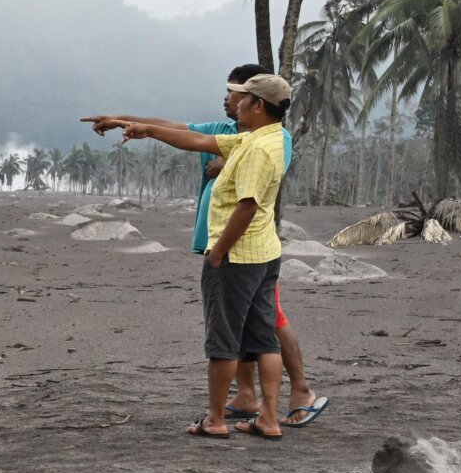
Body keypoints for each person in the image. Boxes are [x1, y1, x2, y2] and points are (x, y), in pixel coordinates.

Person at [83, 65, 329, 428]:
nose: (231, 100)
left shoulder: (262, 143)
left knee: (244, 331)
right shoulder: (242, 135)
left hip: (240, 250)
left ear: (257, 104)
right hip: (250, 249)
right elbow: (186, 134)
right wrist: (129, 123)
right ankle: (261, 410)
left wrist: (217, 253)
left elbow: (249, 202)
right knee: (258, 333)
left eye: (238, 94)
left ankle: (269, 402)